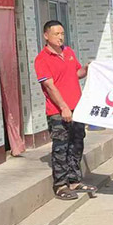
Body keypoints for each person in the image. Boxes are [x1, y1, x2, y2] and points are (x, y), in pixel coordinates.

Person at [35, 20, 92, 200]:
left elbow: (76, 74)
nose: (60, 37)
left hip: (77, 108)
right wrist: (64, 107)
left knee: (77, 143)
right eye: (56, 34)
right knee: (61, 147)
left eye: (62, 34)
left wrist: (87, 69)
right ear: (46, 36)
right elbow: (50, 86)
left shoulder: (68, 52)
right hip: (58, 111)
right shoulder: (41, 59)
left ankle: (75, 180)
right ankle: (60, 185)